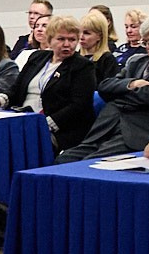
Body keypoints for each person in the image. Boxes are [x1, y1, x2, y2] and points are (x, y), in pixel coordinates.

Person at [61, 16, 149, 161]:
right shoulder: (137, 61)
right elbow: (104, 87)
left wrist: (119, 95)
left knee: (88, 164)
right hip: (108, 124)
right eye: (145, 41)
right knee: (64, 160)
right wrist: (132, 84)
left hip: (141, 130)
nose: (148, 46)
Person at [8, 14, 97, 151]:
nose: (67, 44)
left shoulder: (82, 66)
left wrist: (45, 124)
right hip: (24, 120)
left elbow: (79, 106)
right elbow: (16, 90)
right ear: (49, 40)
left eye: (72, 39)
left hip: (61, 129)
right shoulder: (36, 57)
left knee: (21, 143)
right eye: (61, 39)